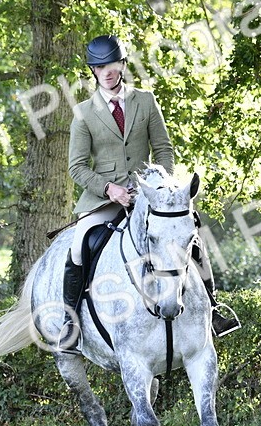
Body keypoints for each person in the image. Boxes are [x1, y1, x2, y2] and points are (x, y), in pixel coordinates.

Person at [57, 34, 240, 352]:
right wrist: (109, 188)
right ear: (94, 72)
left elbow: (164, 148)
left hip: (151, 195)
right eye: (100, 67)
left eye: (112, 65)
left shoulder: (146, 101)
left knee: (191, 234)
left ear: (122, 65)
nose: (107, 72)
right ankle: (71, 323)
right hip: (106, 198)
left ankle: (213, 310)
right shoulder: (84, 113)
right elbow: (77, 167)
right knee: (79, 243)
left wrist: (160, 185)